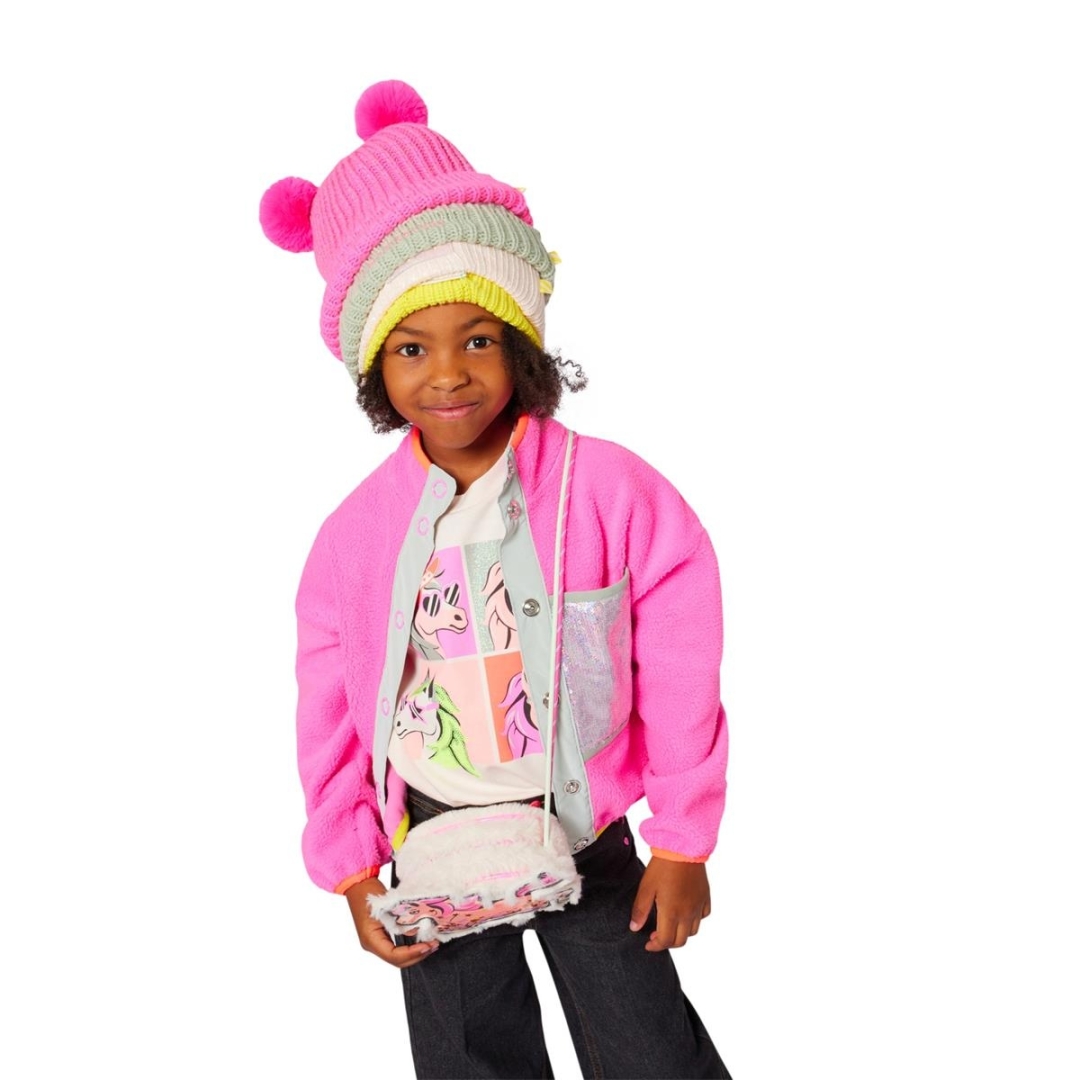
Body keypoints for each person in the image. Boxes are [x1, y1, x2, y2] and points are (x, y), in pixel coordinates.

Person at [260, 79, 733, 1080]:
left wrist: (684, 841)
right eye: (411, 348)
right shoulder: (352, 540)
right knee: (472, 1062)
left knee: (650, 1055)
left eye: (477, 338)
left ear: (521, 338)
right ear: (374, 366)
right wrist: (352, 865)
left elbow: (683, 660)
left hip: (588, 834)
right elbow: (328, 710)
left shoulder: (610, 492)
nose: (447, 372)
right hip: (434, 841)